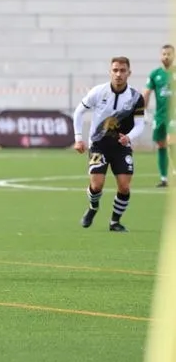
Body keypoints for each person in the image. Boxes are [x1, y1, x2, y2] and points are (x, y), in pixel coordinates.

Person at [73, 56, 145, 233]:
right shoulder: (98, 91)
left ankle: (115, 222)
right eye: (115, 70)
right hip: (99, 145)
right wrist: (78, 138)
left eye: (122, 70)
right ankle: (93, 207)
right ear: (110, 72)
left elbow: (140, 124)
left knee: (124, 186)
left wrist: (129, 137)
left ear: (129, 73)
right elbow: (78, 112)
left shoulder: (136, 97)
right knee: (96, 185)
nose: (118, 74)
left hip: (121, 146)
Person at [142, 44, 174, 187]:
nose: (166, 57)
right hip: (160, 116)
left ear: (173, 56)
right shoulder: (155, 74)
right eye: (164, 54)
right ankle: (164, 178)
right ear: (160, 56)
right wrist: (143, 111)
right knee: (161, 145)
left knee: (172, 142)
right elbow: (146, 93)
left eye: (169, 54)